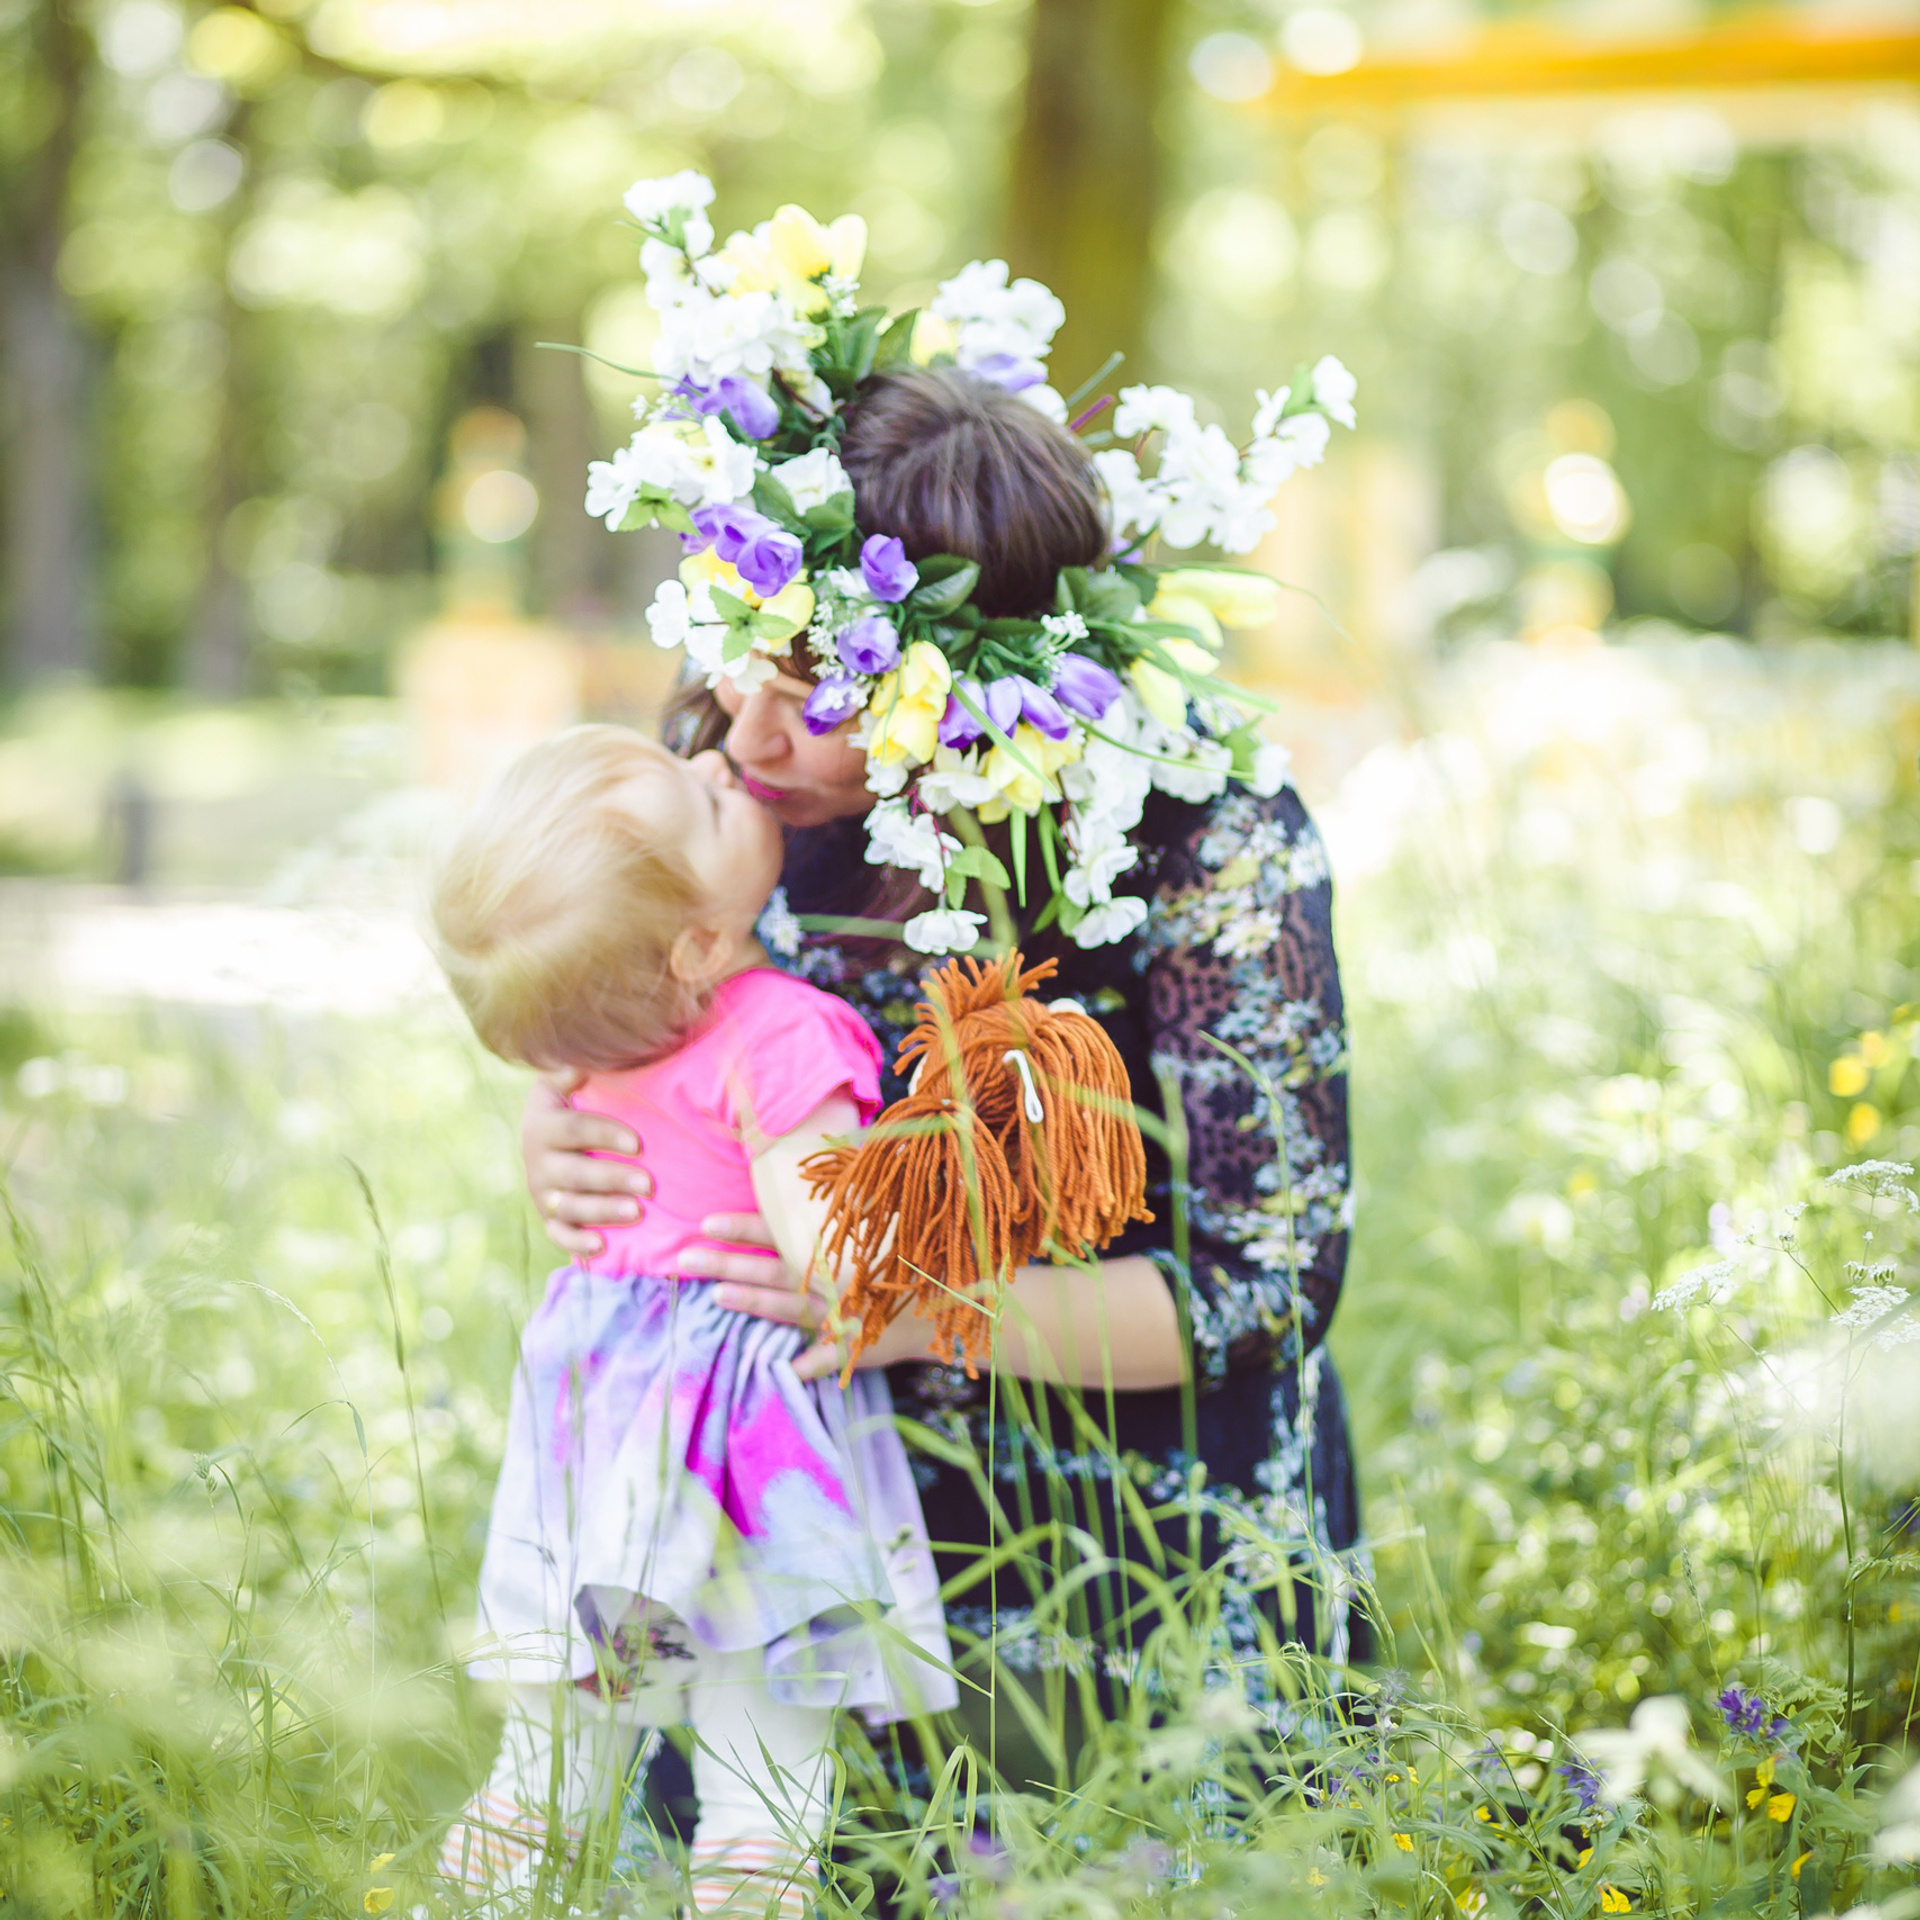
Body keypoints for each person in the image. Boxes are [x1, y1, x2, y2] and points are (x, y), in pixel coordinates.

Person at [523, 367, 1366, 1767]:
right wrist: (551, 1129)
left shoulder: (1209, 838)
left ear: (976, 688)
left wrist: (921, 1310)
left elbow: (1268, 1291)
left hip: (1136, 1523)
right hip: (799, 1505)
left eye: (822, 696)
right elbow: (606, 992)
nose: (745, 734)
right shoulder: (737, 768)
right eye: (744, 656)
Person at [427, 725, 956, 1913]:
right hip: (741, 1482)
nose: (723, 767)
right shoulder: (779, 1033)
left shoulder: (587, 1044)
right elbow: (839, 1261)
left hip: (600, 1478)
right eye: (705, 806)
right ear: (700, 944)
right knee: (762, 1778)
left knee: (553, 1765)